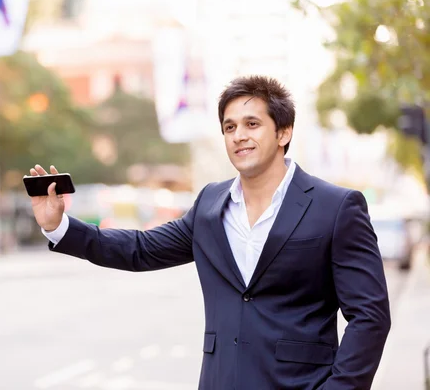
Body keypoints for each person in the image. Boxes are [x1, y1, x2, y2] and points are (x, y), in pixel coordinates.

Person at [28, 75, 391, 390]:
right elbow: (140, 249)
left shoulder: (336, 207)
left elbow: (370, 317)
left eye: (252, 124)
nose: (239, 136)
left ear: (283, 132)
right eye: (230, 127)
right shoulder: (210, 205)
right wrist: (59, 226)